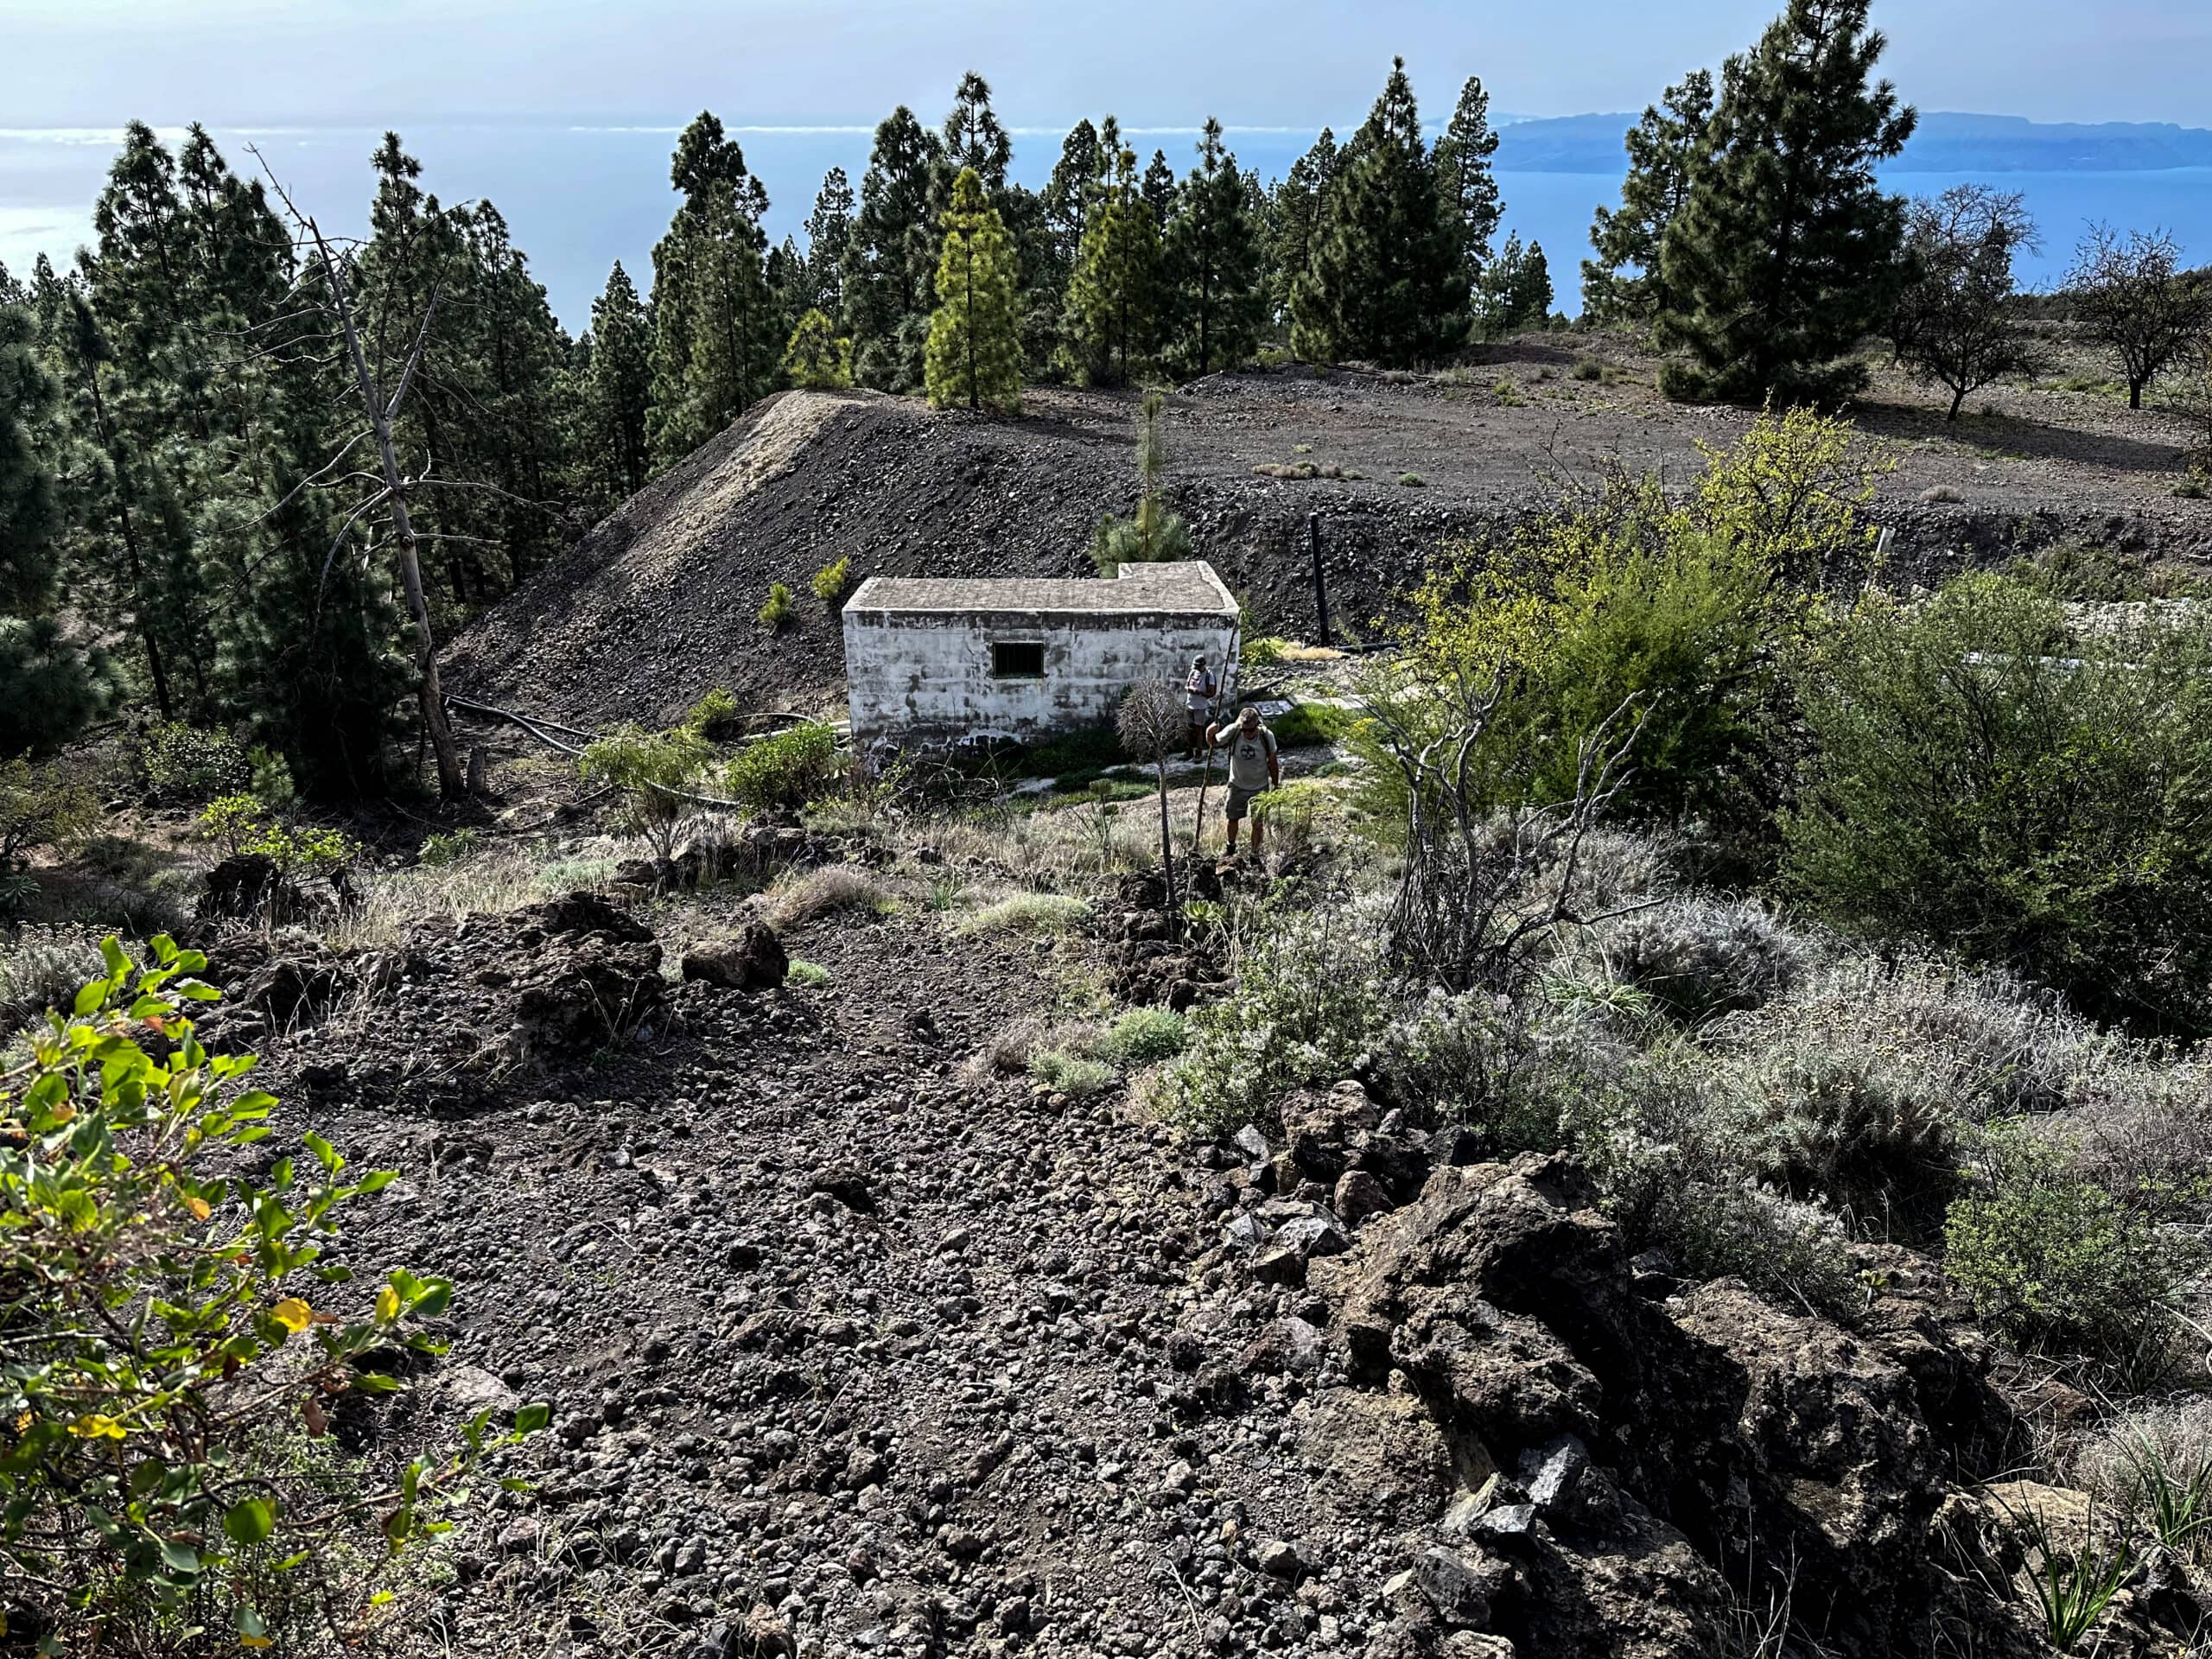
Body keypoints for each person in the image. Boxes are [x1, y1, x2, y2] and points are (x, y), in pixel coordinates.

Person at [1205, 703, 1281, 856]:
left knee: (1258, 824)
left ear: (1257, 726)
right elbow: (1213, 743)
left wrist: (1276, 783)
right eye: (1245, 730)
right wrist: (1209, 732)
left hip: (1260, 787)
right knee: (1233, 818)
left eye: (1251, 730)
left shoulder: (1267, 736)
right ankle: (1230, 847)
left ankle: (1255, 854)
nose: (1248, 733)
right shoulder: (1233, 731)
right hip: (1237, 785)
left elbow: (1273, 761)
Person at [1183, 655, 1217, 760]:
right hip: (1189, 704)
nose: (1196, 668)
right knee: (1188, 729)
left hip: (1200, 706)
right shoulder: (1193, 672)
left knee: (1198, 729)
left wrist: (1200, 693)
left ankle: (1199, 752)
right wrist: (1190, 689)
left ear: (1203, 666)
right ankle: (1188, 751)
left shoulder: (1209, 675)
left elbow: (1211, 693)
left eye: (1198, 666)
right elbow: (1186, 685)